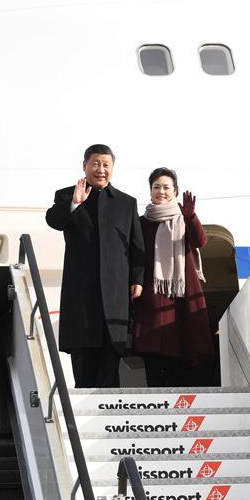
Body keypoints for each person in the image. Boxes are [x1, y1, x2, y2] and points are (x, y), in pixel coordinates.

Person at [45, 144, 144, 388]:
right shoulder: (67, 195)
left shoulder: (126, 202)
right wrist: (74, 204)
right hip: (81, 296)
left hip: (114, 296)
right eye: (96, 164)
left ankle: (109, 420)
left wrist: (137, 279)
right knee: (84, 368)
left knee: (111, 368)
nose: (101, 169)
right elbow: (53, 221)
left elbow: (136, 245)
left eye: (106, 165)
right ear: (84, 166)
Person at [133, 167, 213, 387]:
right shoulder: (141, 222)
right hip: (151, 294)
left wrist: (190, 217)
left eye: (166, 187)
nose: (161, 191)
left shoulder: (184, 218)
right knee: (152, 354)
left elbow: (200, 242)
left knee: (181, 350)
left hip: (181, 296)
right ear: (150, 192)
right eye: (156, 187)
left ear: (175, 192)